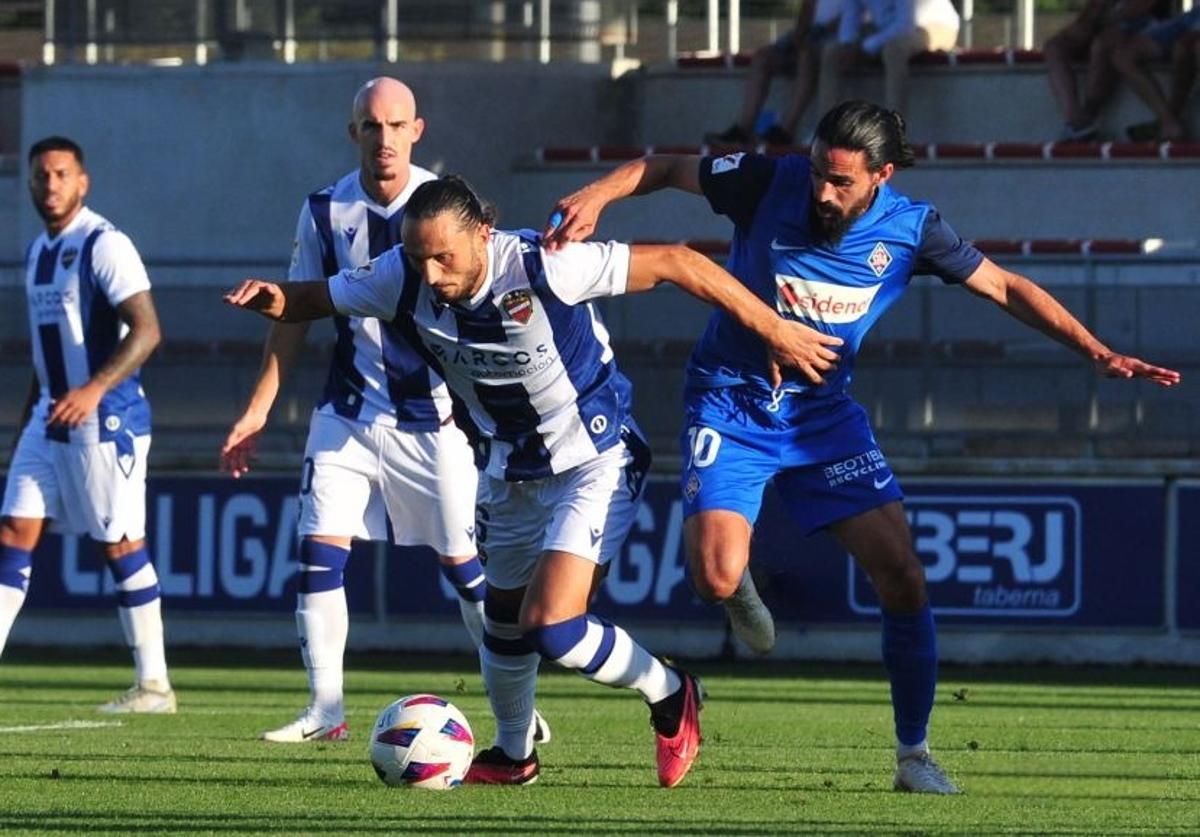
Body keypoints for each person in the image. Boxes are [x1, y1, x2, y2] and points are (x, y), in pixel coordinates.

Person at [541, 100, 1181, 793]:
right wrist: (597, 194)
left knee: (903, 573)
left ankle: (914, 754)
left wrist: (1096, 350)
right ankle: (737, 591)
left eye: (840, 182)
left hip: (822, 419)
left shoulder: (913, 229)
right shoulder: (766, 180)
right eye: (818, 172)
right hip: (730, 401)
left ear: (883, 174)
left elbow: (1004, 285)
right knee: (715, 578)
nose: (821, 191)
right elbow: (665, 167)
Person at [224, 176, 842, 787]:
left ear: (482, 235)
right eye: (419, 258)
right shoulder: (399, 276)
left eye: (445, 256)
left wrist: (775, 329)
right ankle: (513, 756)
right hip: (508, 471)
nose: (432, 274)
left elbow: (679, 262)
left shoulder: (545, 266)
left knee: (552, 625)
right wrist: (269, 296)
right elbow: (313, 299)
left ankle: (672, 693)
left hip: (595, 457)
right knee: (503, 622)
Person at [219, 78, 550, 745]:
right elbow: (297, 315)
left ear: (416, 131)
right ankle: (325, 709)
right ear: (354, 134)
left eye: (396, 125)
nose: (384, 138)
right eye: (371, 126)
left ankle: (518, 706)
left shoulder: (444, 207)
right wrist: (258, 409)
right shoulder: (322, 212)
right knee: (318, 553)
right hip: (346, 412)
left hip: (434, 422)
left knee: (468, 571)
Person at [0, 136, 174, 713]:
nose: (49, 184)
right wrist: (29, 419)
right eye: (40, 176)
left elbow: (147, 329)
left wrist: (93, 388)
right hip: (49, 419)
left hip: (108, 420)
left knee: (121, 545)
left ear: (83, 182)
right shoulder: (36, 252)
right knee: (11, 536)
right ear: (29, 184)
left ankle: (155, 686)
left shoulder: (104, 243)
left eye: (61, 174)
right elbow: (46, 352)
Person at [705, 0, 844, 147]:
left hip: (834, 48)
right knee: (762, 58)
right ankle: (743, 130)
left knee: (806, 56)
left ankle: (785, 130)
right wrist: (799, 38)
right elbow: (803, 24)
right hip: (809, 43)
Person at [818, 0, 959, 125]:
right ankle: (827, 130)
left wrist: (866, 47)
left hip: (936, 24)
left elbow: (905, 25)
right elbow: (851, 15)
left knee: (893, 51)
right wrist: (847, 44)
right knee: (833, 52)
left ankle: (894, 131)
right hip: (887, 28)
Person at [1042, 0, 1166, 142]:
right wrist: (1087, 23)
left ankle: (1087, 117)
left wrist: (1107, 17)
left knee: (1103, 44)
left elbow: (1140, 8)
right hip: (1105, 21)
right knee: (1054, 47)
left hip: (1143, 25)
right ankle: (1075, 121)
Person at [1112, 7, 1200, 141]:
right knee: (1122, 54)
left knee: (1184, 48)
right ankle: (1169, 122)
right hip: (1192, 17)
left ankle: (1164, 125)